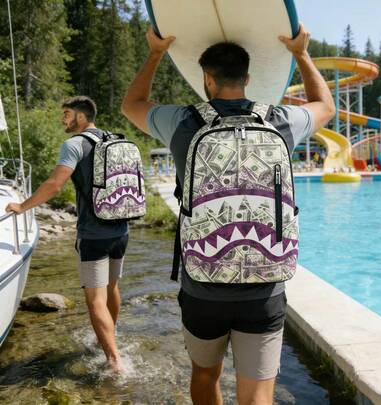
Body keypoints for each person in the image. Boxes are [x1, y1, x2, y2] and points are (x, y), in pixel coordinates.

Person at [122, 24, 335, 405]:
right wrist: (301, 53)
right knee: (257, 395)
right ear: (248, 78)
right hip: (265, 286)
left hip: (202, 286)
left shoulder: (183, 122)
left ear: (207, 77)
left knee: (206, 375)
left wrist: (155, 53)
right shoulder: (280, 121)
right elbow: (325, 105)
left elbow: (132, 104)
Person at [5, 96, 128, 373]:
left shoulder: (74, 144)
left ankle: (115, 362)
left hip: (93, 233)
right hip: (121, 229)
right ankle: (110, 337)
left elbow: (54, 185)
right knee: (111, 288)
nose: (62, 119)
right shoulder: (113, 139)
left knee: (95, 300)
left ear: (81, 117)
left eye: (66, 114)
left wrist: (22, 206)